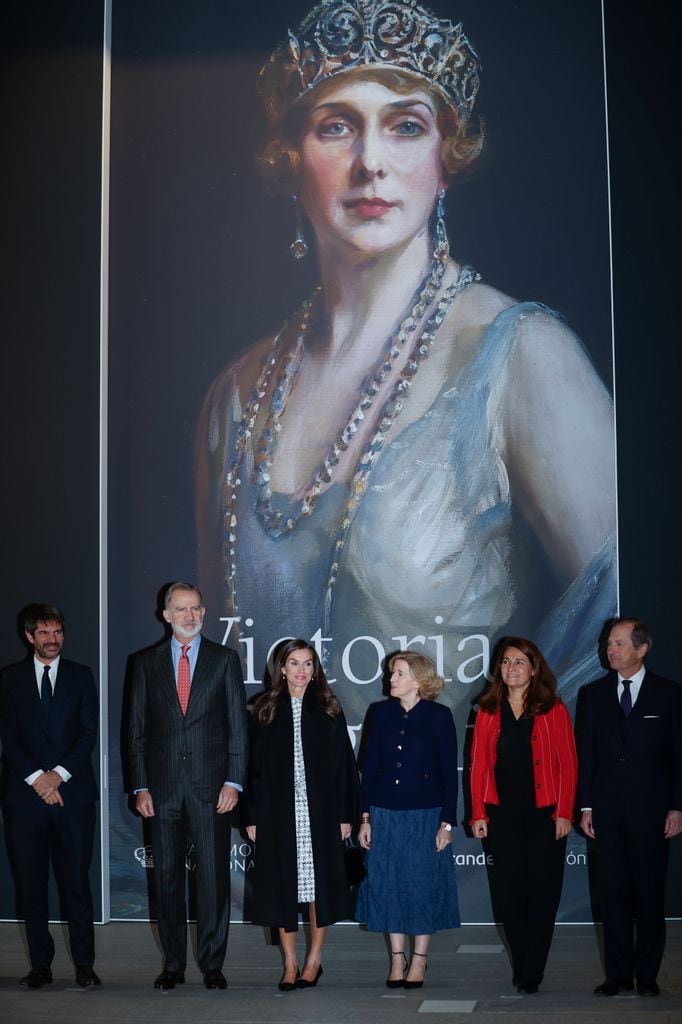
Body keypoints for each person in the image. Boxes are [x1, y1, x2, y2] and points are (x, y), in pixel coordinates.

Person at [196, 0, 616, 734]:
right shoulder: (235, 397)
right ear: (291, 160)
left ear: (446, 159)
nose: (371, 163)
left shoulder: (524, 354)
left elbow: (613, 636)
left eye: (406, 126)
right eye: (336, 126)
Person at [128, 582, 248, 990]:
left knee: (213, 881)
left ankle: (213, 964)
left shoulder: (224, 660)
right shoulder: (145, 663)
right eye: (181, 609)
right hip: (161, 792)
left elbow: (237, 727)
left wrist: (233, 781)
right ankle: (173, 965)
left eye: (196, 608)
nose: (190, 616)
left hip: (211, 790)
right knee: (166, 881)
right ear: (166, 615)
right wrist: (141, 787)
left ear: (204, 612)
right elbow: (136, 732)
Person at [245, 638, 360, 990]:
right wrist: (251, 816)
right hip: (277, 814)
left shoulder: (328, 707)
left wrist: (345, 815)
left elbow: (344, 765)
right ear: (282, 668)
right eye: (294, 663)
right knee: (283, 886)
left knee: (317, 888)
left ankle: (314, 960)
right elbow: (252, 768)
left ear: (315, 669)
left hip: (320, 814)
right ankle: (290, 963)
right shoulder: (264, 709)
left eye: (308, 663)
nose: (301, 670)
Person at [576, 618, 682, 998]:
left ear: (642, 648)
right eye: (609, 643)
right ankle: (617, 975)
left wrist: (677, 807)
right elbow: (586, 755)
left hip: (651, 815)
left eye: (619, 643)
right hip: (606, 814)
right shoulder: (592, 694)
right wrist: (586, 806)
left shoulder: (669, 694)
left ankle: (647, 975)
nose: (611, 650)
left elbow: (678, 756)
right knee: (612, 896)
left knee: (650, 896)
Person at [469, 637, 577, 994]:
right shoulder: (487, 709)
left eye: (519, 662)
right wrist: (478, 813)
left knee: (543, 893)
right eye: (505, 661)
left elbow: (568, 764)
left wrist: (564, 812)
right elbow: (478, 766)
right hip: (501, 816)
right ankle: (522, 960)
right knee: (509, 893)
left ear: (533, 669)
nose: (510, 668)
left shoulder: (553, 709)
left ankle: (533, 970)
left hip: (545, 815)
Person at [0, 604, 100, 989]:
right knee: (32, 886)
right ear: (30, 636)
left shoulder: (81, 676)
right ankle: (40, 965)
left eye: (57, 632)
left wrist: (56, 777)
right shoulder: (10, 679)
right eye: (44, 633)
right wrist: (37, 780)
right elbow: (9, 737)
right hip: (24, 800)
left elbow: (88, 733)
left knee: (76, 884)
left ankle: (85, 965)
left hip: (73, 797)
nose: (52, 639)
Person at [356, 651, 460, 988]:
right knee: (388, 886)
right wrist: (365, 817)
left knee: (421, 886)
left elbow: (449, 773)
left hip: (425, 815)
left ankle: (419, 960)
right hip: (384, 813)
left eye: (399, 673)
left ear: (418, 680)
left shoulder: (439, 716)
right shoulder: (381, 713)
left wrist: (446, 823)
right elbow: (370, 768)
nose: (392, 679)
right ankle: (397, 959)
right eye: (392, 673)